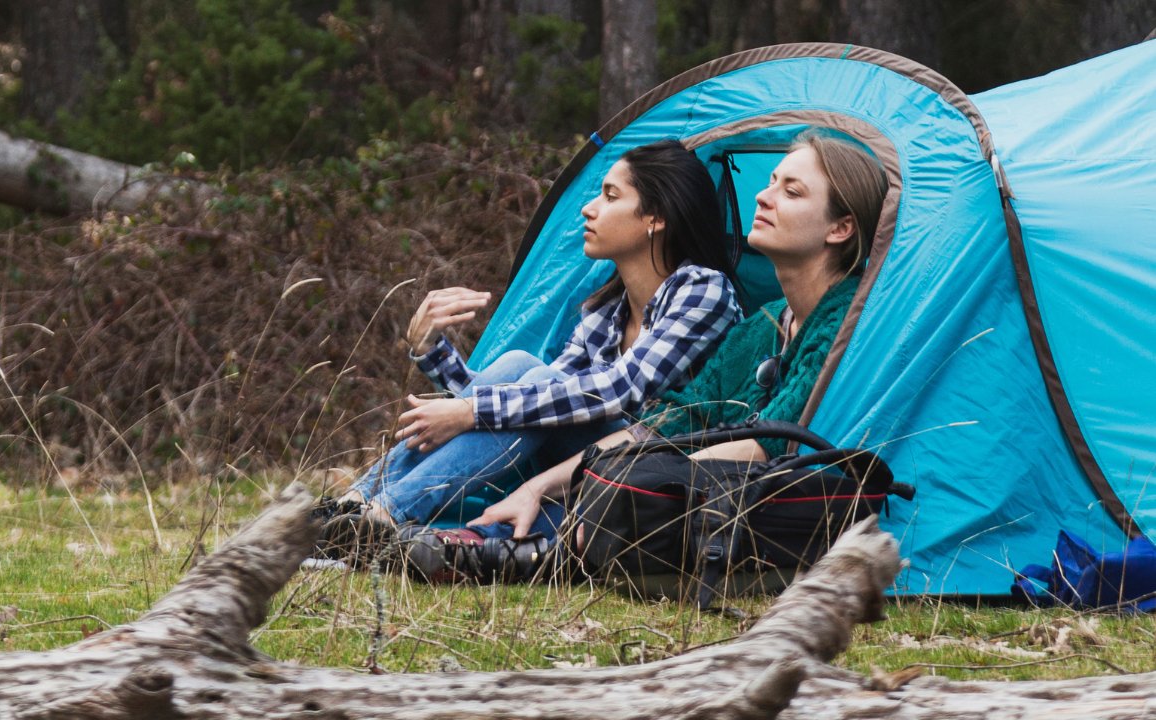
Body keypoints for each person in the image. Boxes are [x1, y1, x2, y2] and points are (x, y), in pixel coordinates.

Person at [400, 129, 890, 582]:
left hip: (736, 503)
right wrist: (542, 483)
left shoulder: (843, 321)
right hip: (662, 478)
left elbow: (767, 444)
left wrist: (621, 483)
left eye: (792, 191)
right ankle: (374, 514)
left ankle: (441, 536)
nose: (762, 196)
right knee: (525, 373)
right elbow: (661, 425)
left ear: (840, 228)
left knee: (626, 484)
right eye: (770, 182)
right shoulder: (760, 329)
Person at [321, 139, 742, 555]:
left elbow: (616, 391)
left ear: (656, 217)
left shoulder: (703, 290)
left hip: (660, 470)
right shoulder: (605, 312)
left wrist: (470, 410)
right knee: (521, 366)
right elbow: (535, 407)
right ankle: (357, 505)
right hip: (583, 467)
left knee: (536, 378)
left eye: (610, 196)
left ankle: (385, 510)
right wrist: (431, 350)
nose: (588, 208)